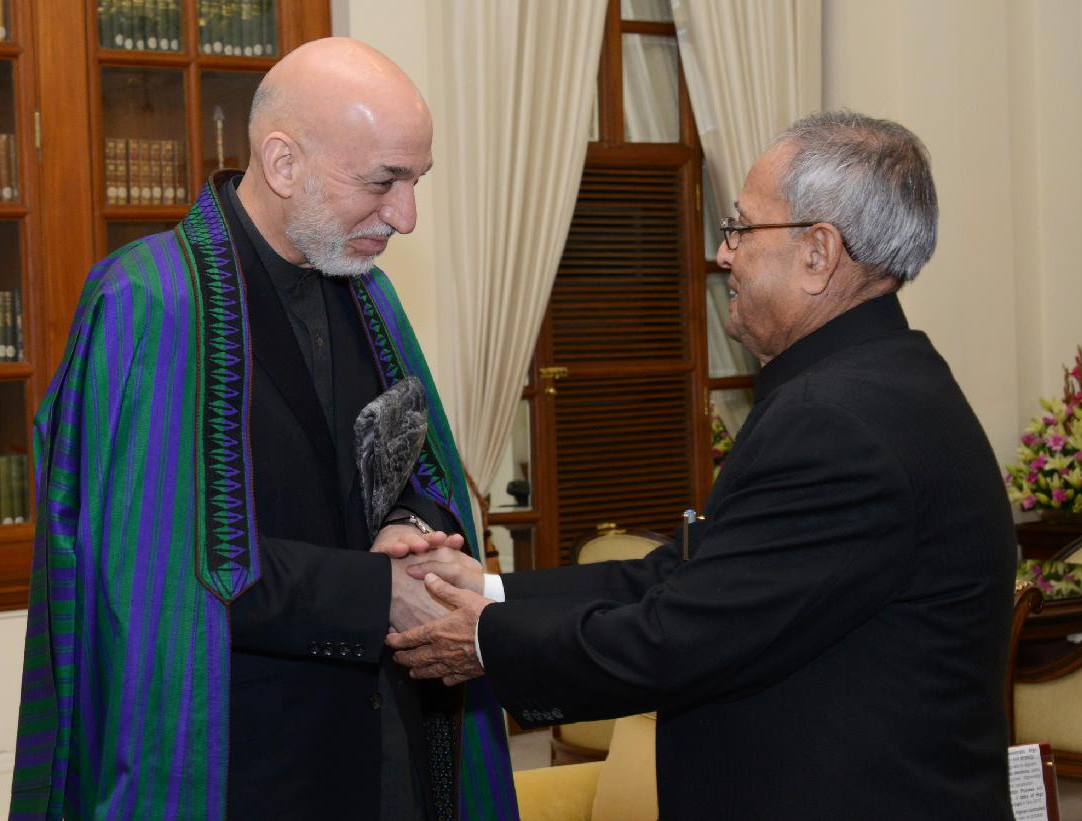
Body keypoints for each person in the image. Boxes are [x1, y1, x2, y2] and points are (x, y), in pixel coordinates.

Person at [387, 111, 1017, 819]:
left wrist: (484, 639)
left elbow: (680, 638)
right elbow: (687, 576)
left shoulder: (837, 422)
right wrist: (487, 588)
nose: (723, 254)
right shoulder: (880, 383)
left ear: (818, 253)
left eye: (741, 229)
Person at [10, 38, 517, 821]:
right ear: (283, 164)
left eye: (417, 181)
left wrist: (413, 529)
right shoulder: (151, 303)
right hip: (239, 769)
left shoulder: (369, 296)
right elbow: (166, 572)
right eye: (383, 181)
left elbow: (420, 470)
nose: (406, 217)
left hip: (390, 753)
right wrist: (381, 592)